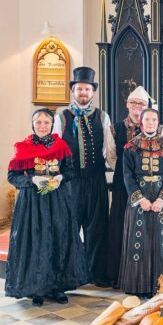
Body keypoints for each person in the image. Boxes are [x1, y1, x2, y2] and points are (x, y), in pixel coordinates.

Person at [5, 109, 89, 306]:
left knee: (58, 239)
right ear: (32, 124)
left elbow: (70, 170)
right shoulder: (23, 148)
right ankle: (37, 289)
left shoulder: (61, 146)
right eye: (38, 122)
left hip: (58, 202)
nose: (42, 125)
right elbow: (12, 177)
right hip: (32, 205)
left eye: (46, 122)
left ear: (52, 124)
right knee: (36, 242)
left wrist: (60, 178)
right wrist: (32, 179)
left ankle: (57, 287)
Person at [53, 66, 116, 287]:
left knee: (97, 228)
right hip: (71, 182)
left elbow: (109, 150)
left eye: (87, 89)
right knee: (69, 228)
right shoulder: (61, 116)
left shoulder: (103, 116)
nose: (83, 93)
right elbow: (55, 149)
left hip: (96, 179)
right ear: (73, 91)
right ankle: (68, 276)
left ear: (92, 92)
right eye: (79, 89)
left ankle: (96, 274)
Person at [118, 108, 163, 297]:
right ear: (141, 122)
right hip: (139, 197)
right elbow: (127, 176)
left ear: (158, 122)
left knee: (162, 242)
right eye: (147, 119)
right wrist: (139, 198)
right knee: (139, 239)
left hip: (161, 196)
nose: (150, 123)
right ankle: (139, 286)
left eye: (154, 119)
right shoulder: (130, 147)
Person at [105, 86, 148, 288]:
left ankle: (142, 273)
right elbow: (111, 156)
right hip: (123, 185)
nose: (137, 107)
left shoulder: (153, 125)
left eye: (141, 104)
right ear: (127, 105)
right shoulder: (115, 128)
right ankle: (117, 274)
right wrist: (125, 172)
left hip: (147, 186)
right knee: (120, 226)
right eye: (134, 103)